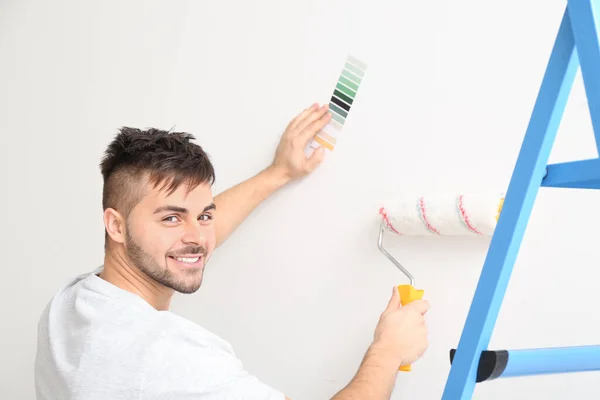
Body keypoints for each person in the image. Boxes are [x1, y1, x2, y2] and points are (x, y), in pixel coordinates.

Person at [34, 103, 430, 400]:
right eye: (172, 218)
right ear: (116, 225)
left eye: (203, 215)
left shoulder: (73, 304)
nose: (197, 237)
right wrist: (388, 351)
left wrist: (277, 173)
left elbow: (187, 238)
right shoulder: (167, 356)